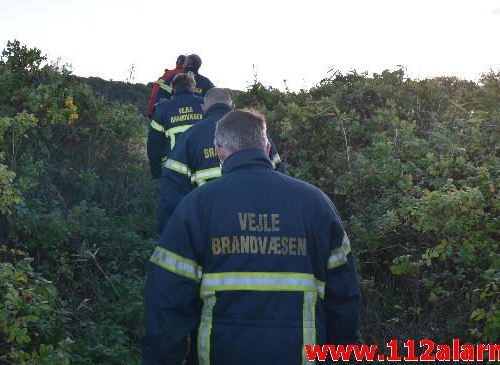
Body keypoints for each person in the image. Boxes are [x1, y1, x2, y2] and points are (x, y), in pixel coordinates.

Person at [143, 109, 361, 365]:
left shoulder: (196, 206)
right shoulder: (316, 204)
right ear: (267, 148)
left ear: (219, 151)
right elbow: (344, 298)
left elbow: (167, 301)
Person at [158, 88, 285, 233]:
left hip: (209, 226)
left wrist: (170, 233)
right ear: (232, 106)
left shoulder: (189, 136)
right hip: (258, 225)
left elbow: (172, 190)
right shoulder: (256, 131)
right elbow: (279, 176)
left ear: (203, 108)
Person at [147, 73, 205, 179]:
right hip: (203, 167)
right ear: (193, 87)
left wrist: (156, 173)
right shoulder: (205, 105)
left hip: (174, 170)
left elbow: (153, 144)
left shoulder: (163, 109)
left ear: (173, 88)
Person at [147, 54, 186, 119]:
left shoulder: (167, 74)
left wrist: (150, 113)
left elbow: (155, 93)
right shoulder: (192, 76)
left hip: (167, 113)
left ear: (176, 63)